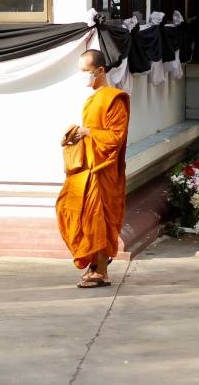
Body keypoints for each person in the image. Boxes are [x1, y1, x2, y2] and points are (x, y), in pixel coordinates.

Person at [56, 49, 130, 288]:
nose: (83, 77)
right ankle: (95, 264)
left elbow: (116, 137)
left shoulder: (114, 98)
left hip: (103, 169)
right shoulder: (92, 98)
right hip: (86, 166)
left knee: (98, 219)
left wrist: (88, 132)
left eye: (86, 72)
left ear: (100, 71)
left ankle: (102, 272)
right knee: (67, 207)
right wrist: (75, 136)